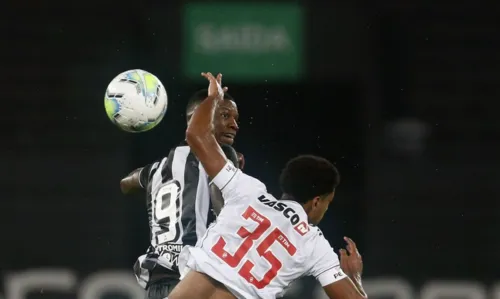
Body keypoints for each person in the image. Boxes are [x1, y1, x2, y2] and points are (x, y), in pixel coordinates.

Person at [167, 72, 368, 299]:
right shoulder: (313, 243)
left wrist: (214, 98)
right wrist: (354, 278)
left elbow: (195, 134)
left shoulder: (246, 190)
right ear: (317, 201)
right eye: (328, 203)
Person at [120, 88, 243, 299]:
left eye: (235, 118)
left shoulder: (156, 170)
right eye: (225, 116)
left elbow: (126, 183)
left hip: (157, 287)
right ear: (199, 118)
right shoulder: (220, 159)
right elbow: (226, 214)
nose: (234, 125)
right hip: (196, 284)